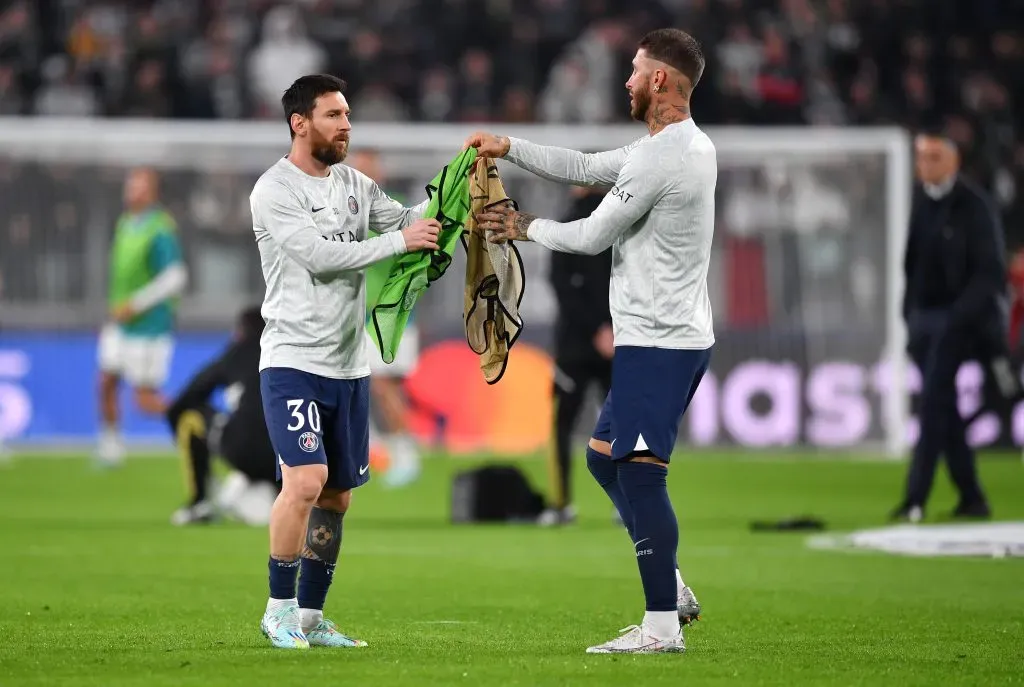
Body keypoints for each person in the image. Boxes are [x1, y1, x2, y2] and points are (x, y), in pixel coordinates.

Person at [467, 28, 714, 655]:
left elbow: (592, 236)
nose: (626, 81)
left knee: (640, 473)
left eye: (634, 71)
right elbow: (582, 167)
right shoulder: (672, 145)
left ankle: (660, 629)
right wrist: (510, 146)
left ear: (660, 80)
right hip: (663, 337)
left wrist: (521, 225)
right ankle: (673, 586)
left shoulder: (667, 155)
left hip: (660, 340)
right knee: (604, 457)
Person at [249, 73, 440, 650]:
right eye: (334, 115)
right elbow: (318, 257)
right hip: (292, 359)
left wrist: (457, 189)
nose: (347, 125)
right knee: (304, 481)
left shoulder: (354, 184)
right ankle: (277, 610)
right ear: (299, 123)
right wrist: (399, 244)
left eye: (348, 115)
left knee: (337, 496)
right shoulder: (274, 190)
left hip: (348, 363)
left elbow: (406, 218)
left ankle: (310, 617)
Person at [892, 128, 1007, 523]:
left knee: (933, 404)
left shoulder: (975, 206)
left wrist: (959, 319)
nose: (925, 165)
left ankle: (915, 498)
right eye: (921, 157)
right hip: (925, 322)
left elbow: (990, 274)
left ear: (954, 161)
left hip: (959, 322)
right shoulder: (923, 203)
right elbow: (911, 266)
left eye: (934, 157)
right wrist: (908, 316)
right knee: (943, 407)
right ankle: (972, 496)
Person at [96, 167, 188, 467]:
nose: (131, 190)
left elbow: (175, 277)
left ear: (152, 192)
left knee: (145, 400)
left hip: (149, 327)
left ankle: (195, 423)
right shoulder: (125, 222)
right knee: (106, 381)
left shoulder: (160, 228)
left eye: (139, 185)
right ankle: (111, 447)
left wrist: (135, 304)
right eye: (130, 184)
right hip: (120, 324)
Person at [348, 148, 423, 488]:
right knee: (376, 383)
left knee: (380, 383)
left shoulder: (394, 209)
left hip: (394, 312)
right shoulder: (353, 210)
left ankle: (402, 451)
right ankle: (387, 447)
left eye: (367, 169)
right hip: (369, 315)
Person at [539, 186, 613, 527]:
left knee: (561, 426)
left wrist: (593, 328)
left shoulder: (565, 226)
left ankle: (560, 504)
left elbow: (561, 286)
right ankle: (629, 503)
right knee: (625, 425)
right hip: (618, 342)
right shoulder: (619, 226)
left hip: (574, 346)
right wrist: (610, 327)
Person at [165, 306, 278, 527]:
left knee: (190, 418)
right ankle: (285, 498)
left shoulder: (235, 353)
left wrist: (178, 436)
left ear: (240, 331)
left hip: (241, 450)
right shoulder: (288, 353)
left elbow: (184, 401)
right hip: (288, 458)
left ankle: (199, 503)